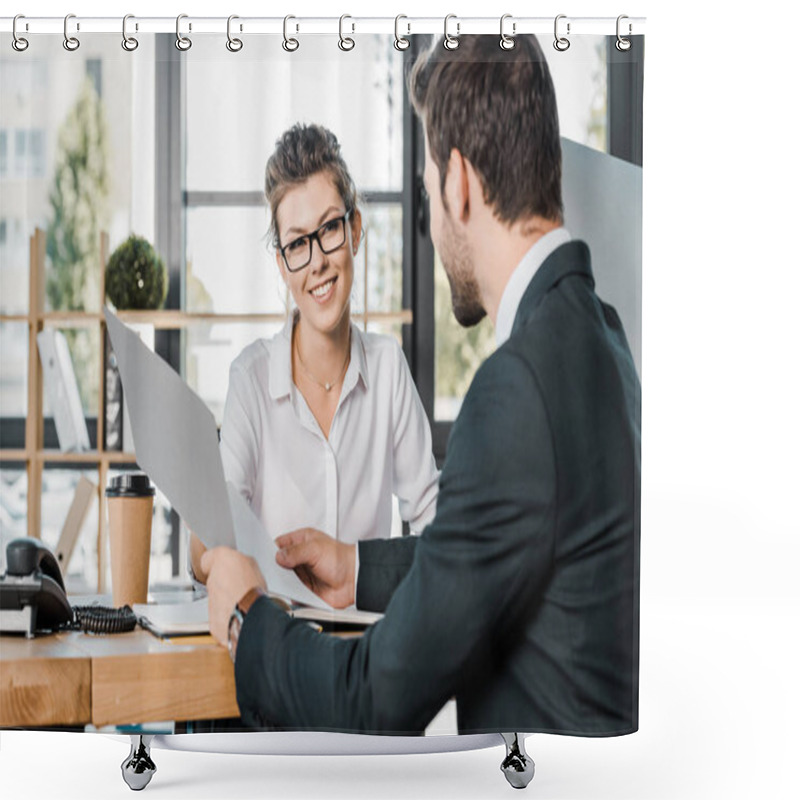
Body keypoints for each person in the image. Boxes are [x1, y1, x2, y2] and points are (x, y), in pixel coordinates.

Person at [202, 34, 640, 738]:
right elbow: (495, 547)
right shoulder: (603, 337)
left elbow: (374, 697)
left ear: (459, 182)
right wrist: (356, 568)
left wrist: (245, 618)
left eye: (429, 186)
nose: (432, 223)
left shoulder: (515, 389)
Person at [191, 123, 439, 584]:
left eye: (328, 229)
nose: (318, 261)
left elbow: (437, 529)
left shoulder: (387, 369)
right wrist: (206, 544)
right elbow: (211, 538)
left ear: (355, 231)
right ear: (283, 263)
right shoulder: (251, 378)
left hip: (367, 647)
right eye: (298, 243)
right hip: (281, 638)